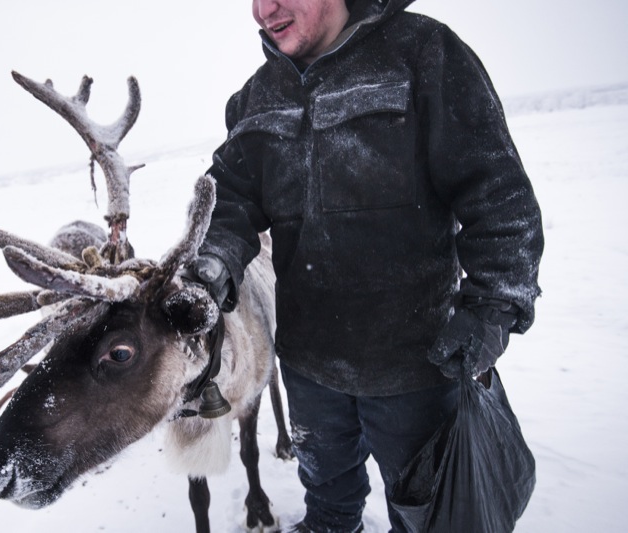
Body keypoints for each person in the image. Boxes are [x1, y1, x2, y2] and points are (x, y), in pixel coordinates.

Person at [189, 0, 544, 531]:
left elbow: (496, 193)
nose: (264, 10)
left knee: (428, 514)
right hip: (309, 367)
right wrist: (213, 262)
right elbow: (232, 199)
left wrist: (493, 304)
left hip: (417, 366)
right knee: (327, 498)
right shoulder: (257, 97)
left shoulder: (422, 53)